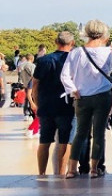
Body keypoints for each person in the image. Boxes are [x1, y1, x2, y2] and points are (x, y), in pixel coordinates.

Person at [60, 19, 112, 179]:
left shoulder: (76, 52)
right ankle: (94, 169)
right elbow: (109, 71)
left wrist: (72, 90)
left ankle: (71, 169)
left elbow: (64, 75)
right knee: (99, 133)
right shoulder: (108, 52)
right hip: (103, 96)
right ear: (103, 32)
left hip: (82, 96)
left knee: (80, 133)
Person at [30, 31, 75, 176]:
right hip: (67, 106)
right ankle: (61, 174)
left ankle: (41, 173)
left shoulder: (43, 60)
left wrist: (37, 103)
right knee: (65, 142)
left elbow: (35, 84)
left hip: (46, 106)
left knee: (44, 141)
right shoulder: (74, 60)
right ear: (72, 43)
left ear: (56, 42)